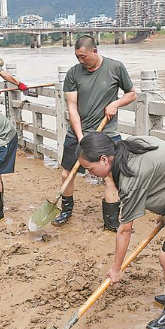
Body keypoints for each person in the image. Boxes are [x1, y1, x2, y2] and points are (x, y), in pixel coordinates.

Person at [78, 132, 165, 329]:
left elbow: (125, 230)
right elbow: (164, 173)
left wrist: (116, 268)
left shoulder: (131, 176)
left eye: (89, 168)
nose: (89, 173)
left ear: (103, 159)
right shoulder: (131, 145)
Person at [55, 35, 137, 231]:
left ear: (94, 51)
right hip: (77, 134)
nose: (80, 61)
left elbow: (132, 93)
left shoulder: (115, 68)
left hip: (106, 133)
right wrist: (81, 136)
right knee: (67, 172)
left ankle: (111, 221)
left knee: (110, 177)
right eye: (77, 57)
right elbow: (72, 107)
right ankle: (66, 210)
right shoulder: (73, 73)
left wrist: (115, 104)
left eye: (83, 56)